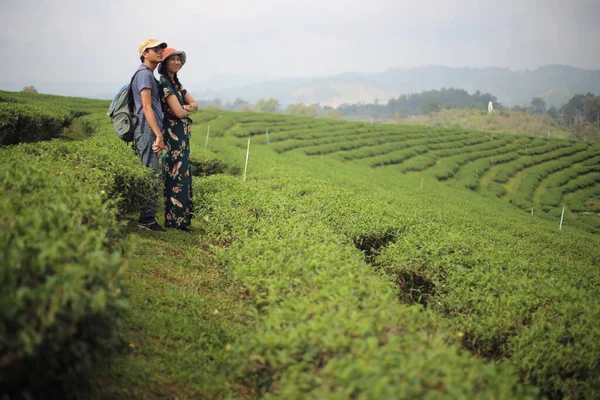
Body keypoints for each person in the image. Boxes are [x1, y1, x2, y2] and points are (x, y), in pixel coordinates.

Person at [157, 48, 198, 231]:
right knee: (175, 176)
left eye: (178, 59)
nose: (176, 62)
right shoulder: (165, 84)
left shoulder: (177, 84)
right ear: (164, 63)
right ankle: (175, 221)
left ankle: (181, 220)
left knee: (182, 175)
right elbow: (180, 112)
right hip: (172, 135)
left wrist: (185, 107)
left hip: (180, 135)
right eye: (172, 59)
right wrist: (185, 107)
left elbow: (195, 104)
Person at [132, 38, 168, 232]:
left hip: (148, 129)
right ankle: (146, 219)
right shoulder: (144, 74)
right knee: (151, 172)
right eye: (155, 49)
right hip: (146, 129)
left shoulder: (148, 74)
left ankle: (147, 216)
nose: (160, 51)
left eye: (161, 49)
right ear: (145, 53)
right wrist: (158, 135)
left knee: (151, 171)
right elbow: (146, 107)